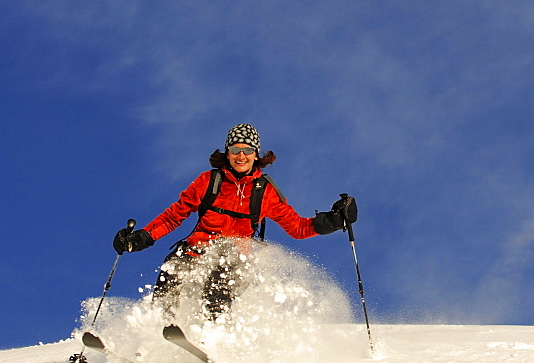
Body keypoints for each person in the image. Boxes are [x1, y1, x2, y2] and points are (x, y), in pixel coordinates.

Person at [113, 123, 356, 323]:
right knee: (173, 267)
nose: (242, 156)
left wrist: (334, 220)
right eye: (236, 149)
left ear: (256, 155)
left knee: (225, 268)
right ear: (227, 153)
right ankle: (159, 330)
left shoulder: (265, 191)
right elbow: (175, 215)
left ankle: (211, 333)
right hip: (196, 250)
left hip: (235, 258)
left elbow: (298, 228)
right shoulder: (209, 181)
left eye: (248, 150)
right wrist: (142, 237)